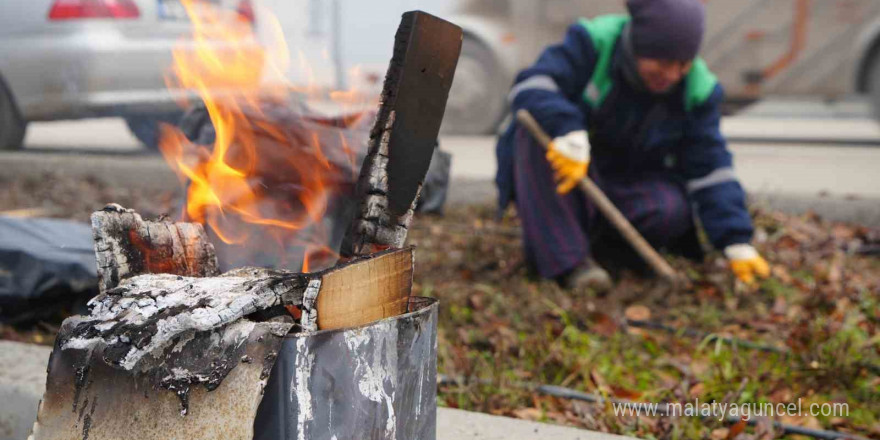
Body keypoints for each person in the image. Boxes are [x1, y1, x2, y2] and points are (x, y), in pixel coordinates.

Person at [495, 0, 770, 291]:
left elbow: (711, 167)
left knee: (672, 210)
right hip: (571, 176)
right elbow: (531, 85)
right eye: (663, 62)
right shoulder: (593, 43)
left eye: (683, 64)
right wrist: (567, 131)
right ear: (638, 46)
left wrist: (735, 239)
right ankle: (571, 265)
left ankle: (608, 253)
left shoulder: (697, 91)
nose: (673, 74)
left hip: (627, 184)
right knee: (533, 135)